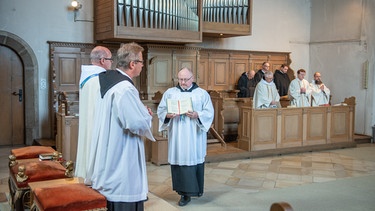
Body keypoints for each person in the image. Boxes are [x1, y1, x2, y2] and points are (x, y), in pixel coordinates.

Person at [86, 42, 155, 211]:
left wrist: (138, 111)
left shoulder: (109, 82)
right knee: (124, 189)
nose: (142, 66)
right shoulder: (125, 88)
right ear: (133, 64)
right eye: (141, 62)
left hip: (109, 147)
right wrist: (146, 115)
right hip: (121, 153)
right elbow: (136, 123)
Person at [157, 67, 214, 207]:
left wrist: (197, 115)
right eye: (180, 79)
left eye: (185, 79)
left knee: (193, 159)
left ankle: (196, 190)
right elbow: (161, 110)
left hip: (194, 135)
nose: (182, 82)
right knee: (180, 160)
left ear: (192, 78)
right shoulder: (170, 93)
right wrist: (167, 115)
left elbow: (209, 112)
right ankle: (183, 193)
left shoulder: (201, 94)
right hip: (177, 134)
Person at [75, 46, 112, 179]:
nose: (111, 62)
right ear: (102, 60)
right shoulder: (99, 79)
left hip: (88, 121)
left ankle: (88, 174)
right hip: (97, 123)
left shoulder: (87, 77)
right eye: (110, 59)